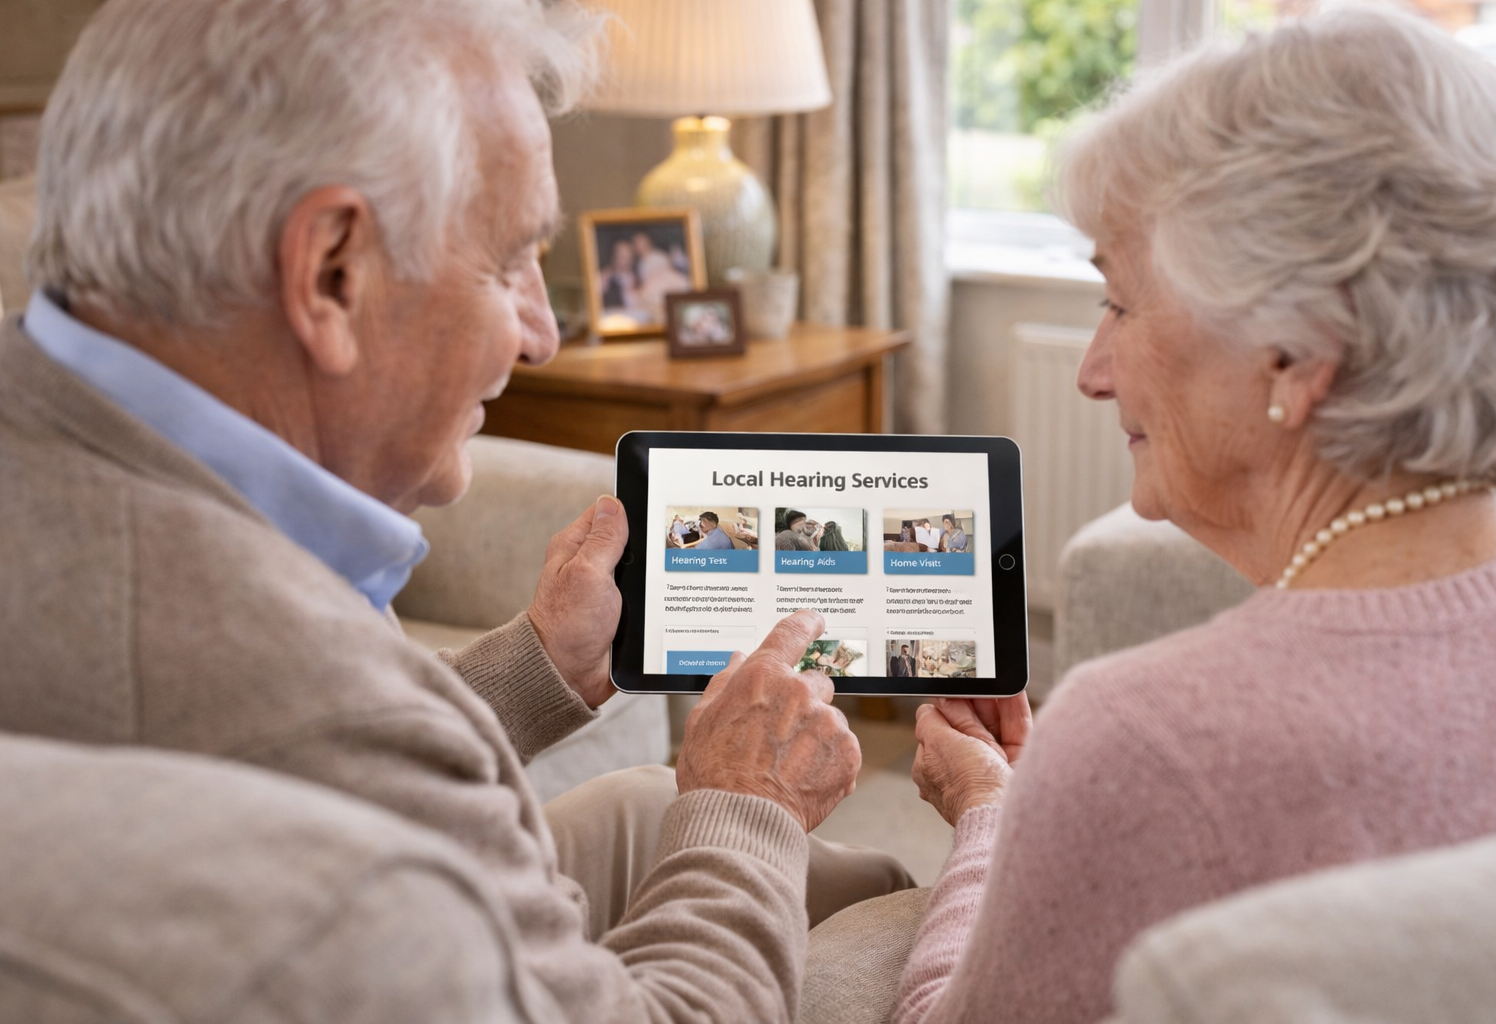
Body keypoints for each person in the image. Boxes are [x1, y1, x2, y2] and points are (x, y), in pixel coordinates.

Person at [0, 2, 913, 1021]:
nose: (541, 334)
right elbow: (331, 730)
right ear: (333, 271)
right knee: (908, 933)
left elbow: (336, 755)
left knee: (656, 805)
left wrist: (538, 665)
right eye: (512, 257)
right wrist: (748, 804)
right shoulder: (300, 694)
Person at [890, 10, 1496, 1024]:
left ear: (1296, 351)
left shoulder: (1145, 736)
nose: (1091, 372)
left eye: (1119, 302)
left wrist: (988, 818)